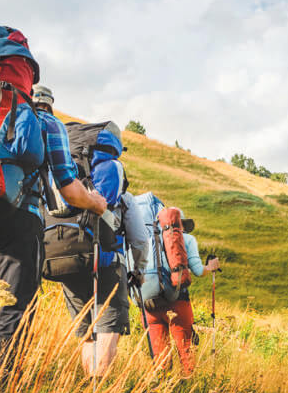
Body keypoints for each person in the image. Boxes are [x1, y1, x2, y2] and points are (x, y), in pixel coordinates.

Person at [0, 80, 107, 371]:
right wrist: (95, 204)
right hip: (18, 219)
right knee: (13, 311)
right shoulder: (48, 123)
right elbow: (68, 189)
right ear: (48, 104)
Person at [34, 89, 145, 377]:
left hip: (57, 252)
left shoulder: (58, 163)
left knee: (85, 328)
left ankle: (88, 381)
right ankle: (98, 384)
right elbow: (138, 236)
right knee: (108, 323)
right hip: (103, 257)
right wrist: (139, 268)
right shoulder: (112, 167)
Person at [144, 209, 220, 375]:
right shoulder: (188, 239)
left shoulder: (148, 240)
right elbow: (199, 271)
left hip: (150, 302)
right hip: (177, 301)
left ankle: (162, 390)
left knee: (160, 353)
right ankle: (188, 387)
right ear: (180, 224)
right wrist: (211, 267)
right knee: (186, 349)